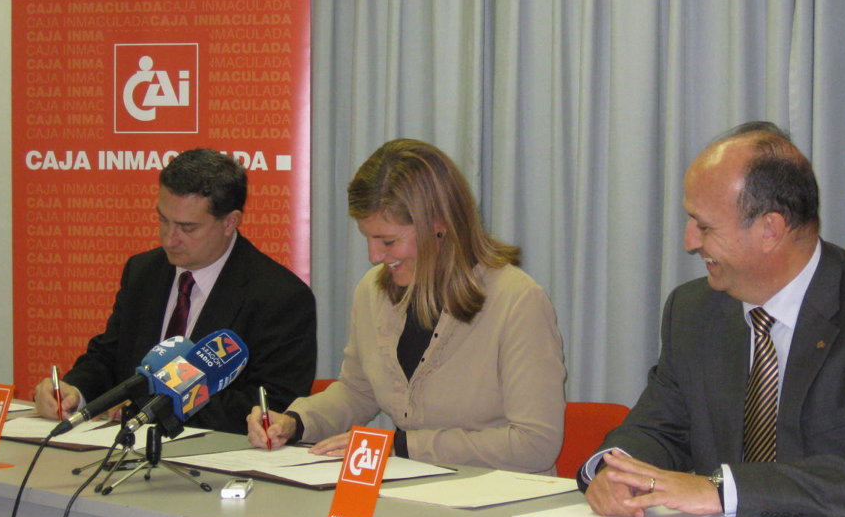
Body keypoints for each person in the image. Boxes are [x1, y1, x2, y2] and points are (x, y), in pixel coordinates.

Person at [582, 122, 845, 517]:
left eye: (704, 226)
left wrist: (725, 492)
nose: (689, 242)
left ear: (770, 230)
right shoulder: (693, 310)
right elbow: (660, 426)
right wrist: (617, 471)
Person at [247, 138, 566, 474]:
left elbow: (535, 445)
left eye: (388, 241)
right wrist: (295, 422)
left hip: (502, 497)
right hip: (411, 487)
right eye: (368, 238)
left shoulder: (518, 301)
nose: (374, 256)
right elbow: (358, 391)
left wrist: (401, 446)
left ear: (439, 225)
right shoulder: (372, 291)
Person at [32, 148, 317, 435]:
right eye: (163, 220)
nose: (169, 239)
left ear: (230, 222)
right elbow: (108, 356)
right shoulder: (143, 271)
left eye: (187, 228)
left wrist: (151, 408)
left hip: (217, 452)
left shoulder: (280, 296)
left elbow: (272, 405)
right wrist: (73, 391)